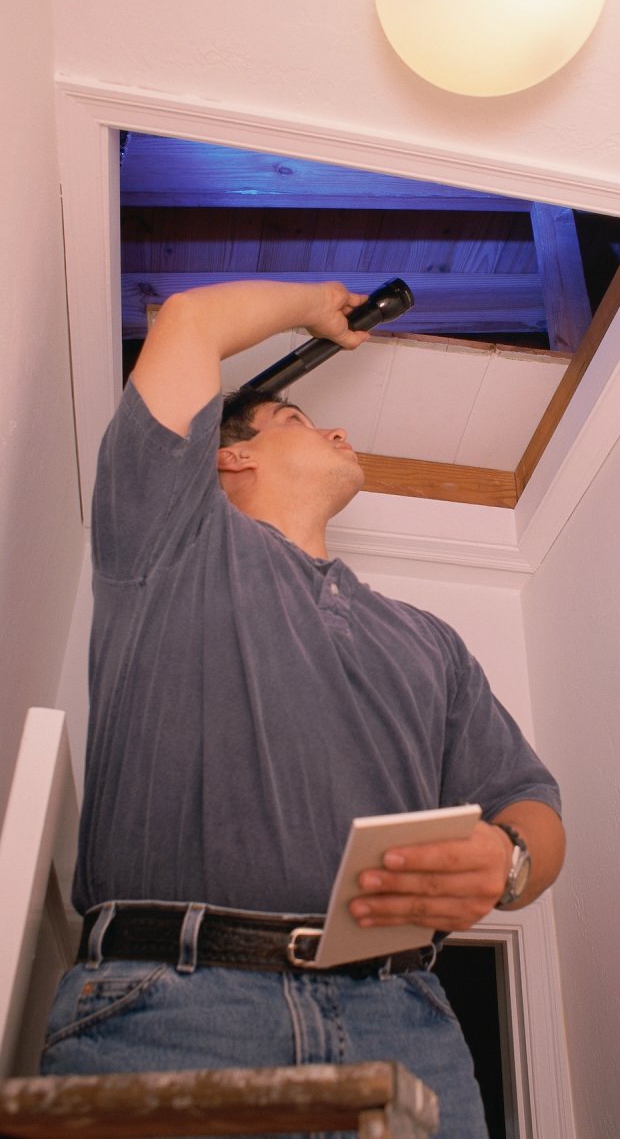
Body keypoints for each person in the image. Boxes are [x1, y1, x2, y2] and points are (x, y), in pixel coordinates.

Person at [41, 280, 565, 1138]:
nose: (337, 429)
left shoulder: (428, 641)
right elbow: (189, 321)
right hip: (172, 1012)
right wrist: (317, 306)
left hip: (406, 1027)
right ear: (227, 456)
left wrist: (509, 863)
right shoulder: (168, 542)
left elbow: (534, 804)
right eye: (294, 420)